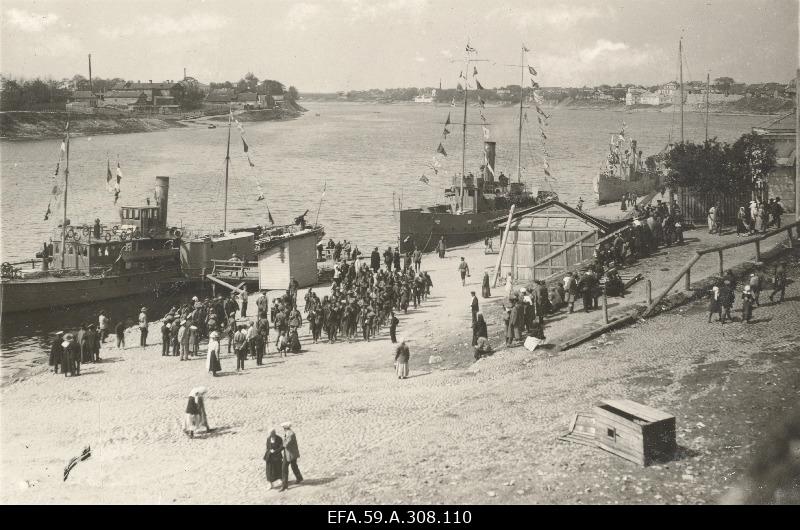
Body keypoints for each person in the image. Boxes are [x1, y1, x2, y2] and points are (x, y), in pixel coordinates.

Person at [280, 422, 303, 491]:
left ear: (285, 428)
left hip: (290, 454)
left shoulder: (290, 434)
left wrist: (280, 446)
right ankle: (299, 478)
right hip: (290, 453)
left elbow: (286, 444)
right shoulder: (289, 433)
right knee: (294, 466)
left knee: (284, 468)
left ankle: (284, 485)